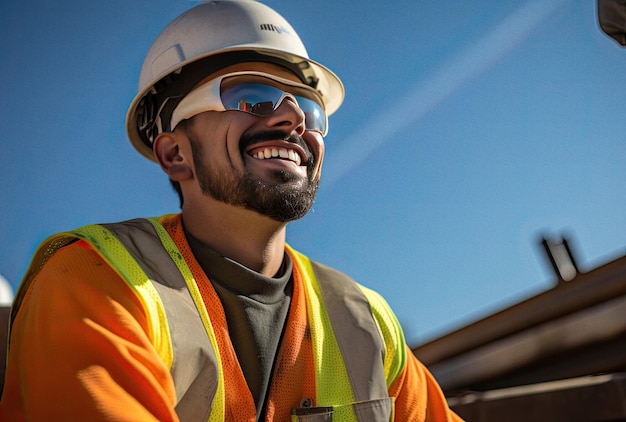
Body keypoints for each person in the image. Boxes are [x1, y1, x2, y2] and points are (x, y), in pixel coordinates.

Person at [0, 1, 462, 421]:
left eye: (308, 106)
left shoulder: (366, 319)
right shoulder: (94, 279)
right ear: (174, 154)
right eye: (252, 96)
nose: (293, 118)